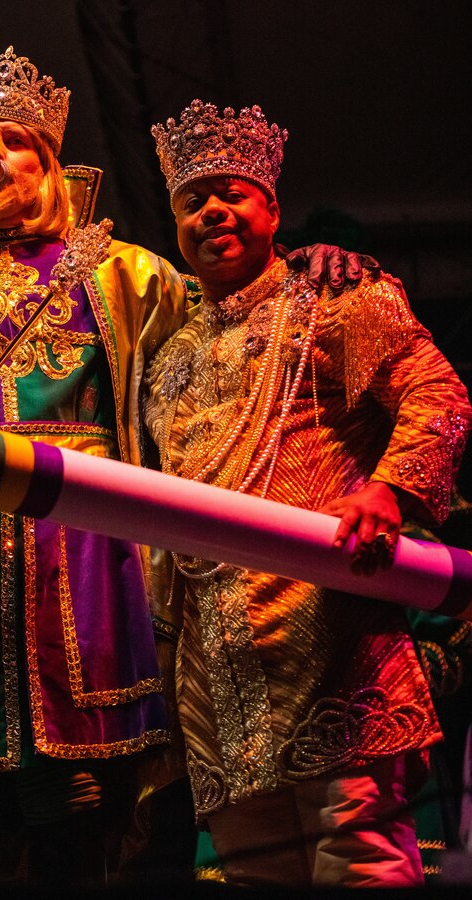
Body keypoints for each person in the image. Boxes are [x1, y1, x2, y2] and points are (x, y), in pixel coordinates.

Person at [0, 49, 366, 884]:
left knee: (79, 824)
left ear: (51, 167)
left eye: (17, 140)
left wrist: (307, 267)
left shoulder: (126, 276)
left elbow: (234, 324)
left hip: (88, 571)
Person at [144, 99, 472, 887]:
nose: (211, 211)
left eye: (232, 193)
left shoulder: (339, 297)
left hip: (331, 639)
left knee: (360, 865)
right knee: (252, 876)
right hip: (216, 674)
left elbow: (437, 395)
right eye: (192, 200)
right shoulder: (169, 355)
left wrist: (389, 491)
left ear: (271, 210)